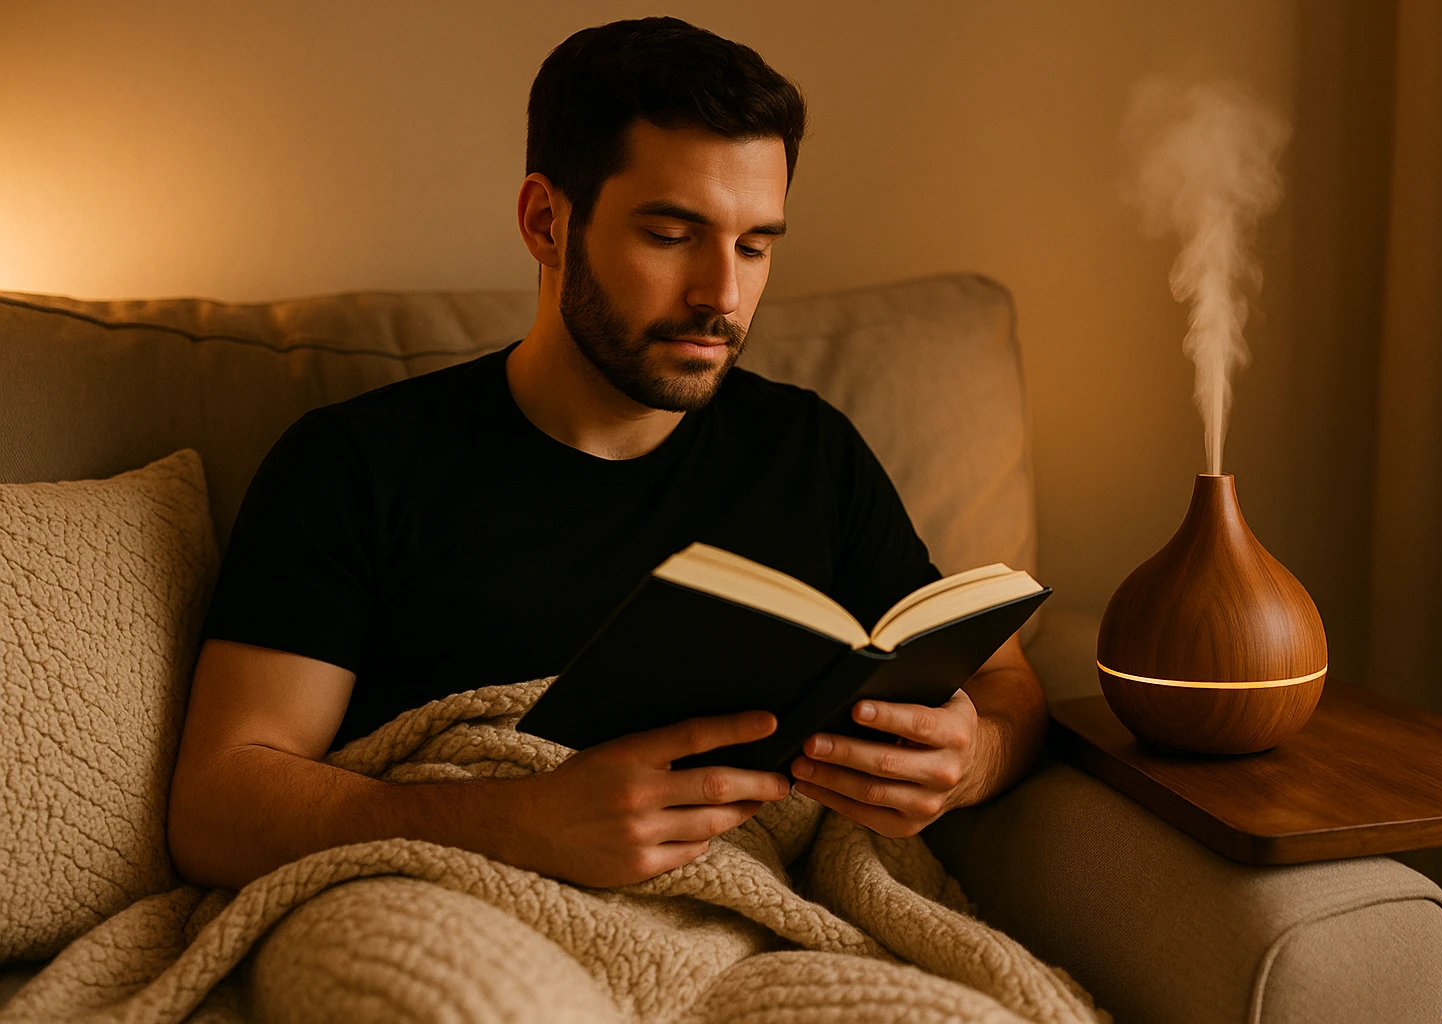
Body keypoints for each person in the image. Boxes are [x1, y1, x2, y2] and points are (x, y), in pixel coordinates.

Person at [166, 16, 1047, 891]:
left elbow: (1008, 687)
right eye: (670, 236)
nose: (722, 296)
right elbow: (217, 806)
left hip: (741, 904)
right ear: (547, 222)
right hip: (449, 906)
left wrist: (970, 758)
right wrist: (519, 824)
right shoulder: (354, 464)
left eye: (754, 246)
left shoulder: (808, 450)